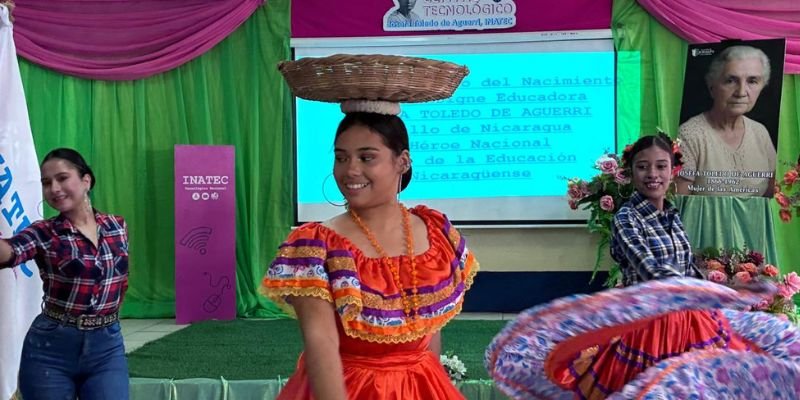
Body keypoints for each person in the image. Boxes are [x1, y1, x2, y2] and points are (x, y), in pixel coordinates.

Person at [485, 133, 800, 399]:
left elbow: (690, 270)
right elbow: (653, 274)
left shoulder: (672, 216)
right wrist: (720, 292)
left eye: (661, 166)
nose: (653, 174)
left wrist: (727, 289)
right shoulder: (627, 219)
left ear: (673, 171)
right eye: (643, 167)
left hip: (694, 323)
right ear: (631, 173)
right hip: (652, 328)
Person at [263, 56, 477, 400]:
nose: (350, 170)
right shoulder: (315, 246)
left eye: (367, 157)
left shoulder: (434, 232)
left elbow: (430, 336)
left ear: (402, 161)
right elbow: (321, 344)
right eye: (341, 157)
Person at [0, 148, 129, 400]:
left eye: (62, 178)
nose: (54, 189)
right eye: (46, 183)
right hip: (50, 349)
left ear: (86, 180)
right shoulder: (44, 232)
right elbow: (11, 252)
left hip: (107, 346)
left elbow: (118, 282)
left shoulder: (116, 226)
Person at [677, 45, 777, 197]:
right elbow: (678, 204)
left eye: (752, 81)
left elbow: (773, 196)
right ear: (712, 87)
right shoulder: (689, 135)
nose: (741, 92)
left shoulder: (760, 132)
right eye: (730, 81)